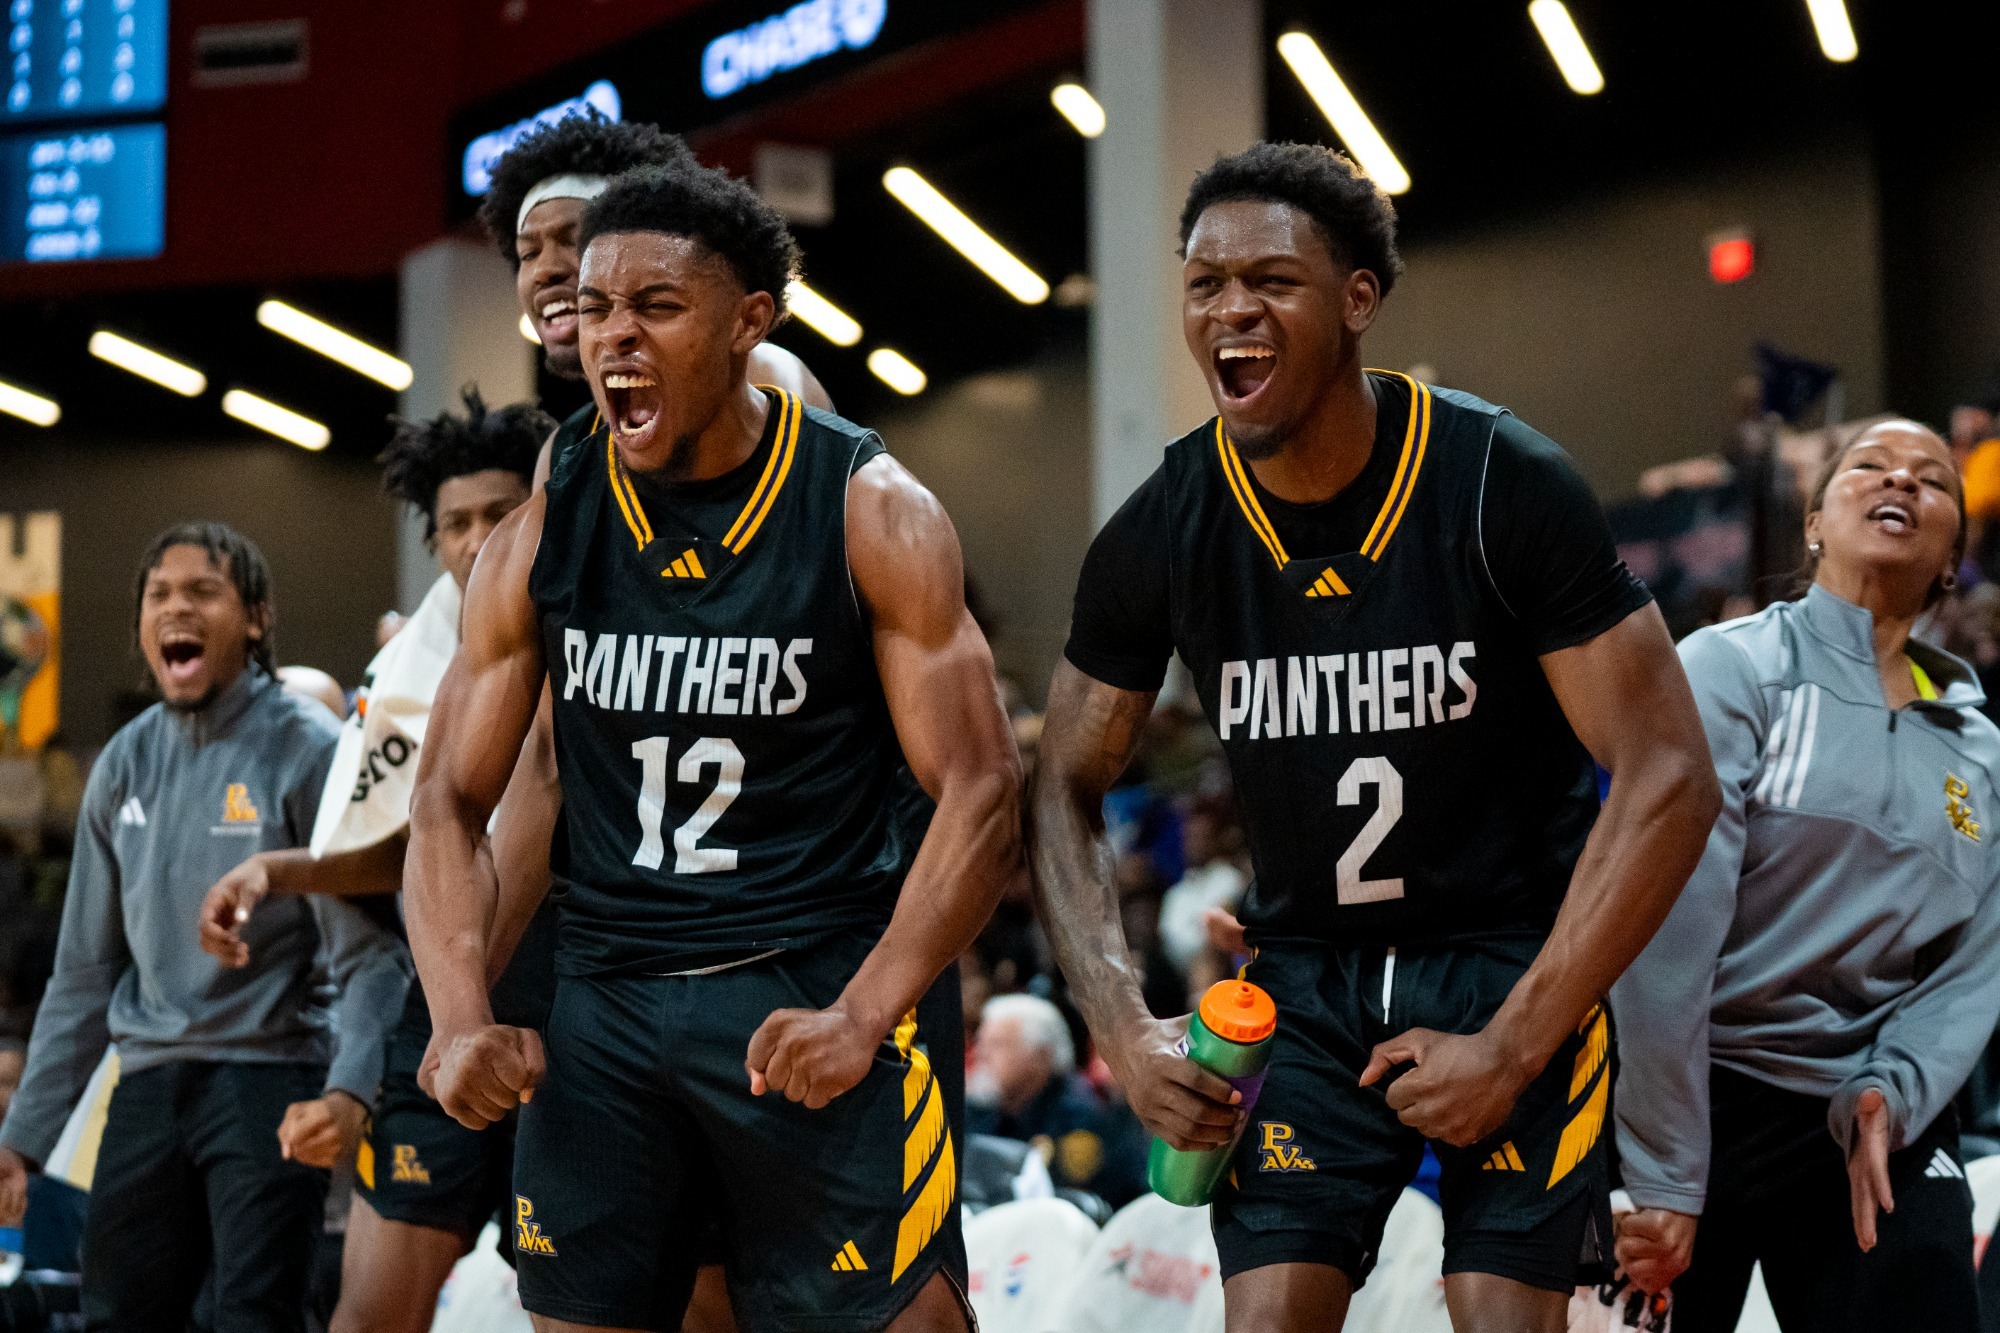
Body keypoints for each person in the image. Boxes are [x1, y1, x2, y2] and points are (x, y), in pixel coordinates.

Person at [1028, 141, 1721, 1333]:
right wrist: (1121, 1023)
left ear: (1356, 301)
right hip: (1300, 986)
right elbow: (1061, 782)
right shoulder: (1165, 525)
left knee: (1500, 1317)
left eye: (1270, 281)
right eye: (1203, 284)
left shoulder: (1498, 480)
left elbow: (1668, 775)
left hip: (1505, 959)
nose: (1230, 308)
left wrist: (1511, 1044)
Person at [405, 161, 1021, 1333]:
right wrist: (455, 1013)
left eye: (656, 308)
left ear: (751, 323)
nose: (613, 339)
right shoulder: (544, 527)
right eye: (593, 309)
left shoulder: (868, 507)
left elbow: (982, 792)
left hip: (807, 971)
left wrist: (865, 1008)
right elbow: (446, 798)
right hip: (608, 996)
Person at [1612, 420, 2000, 1332]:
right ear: (1816, 521)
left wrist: (1896, 1090)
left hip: (1863, 1101)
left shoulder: (1981, 749)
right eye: (1868, 465)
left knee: (1928, 1283)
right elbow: (1665, 926)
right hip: (1696, 1083)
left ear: (1951, 555)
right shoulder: (1731, 665)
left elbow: (1972, 964)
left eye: (1931, 479)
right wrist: (1665, 1167)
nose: (1899, 479)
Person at [199, 391, 550, 1333]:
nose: (478, 541)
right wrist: (279, 870)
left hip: (576, 1007)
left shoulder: (599, 630)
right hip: (443, 1011)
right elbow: (397, 853)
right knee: (370, 1316)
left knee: (587, 1310)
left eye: (501, 515)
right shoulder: (410, 670)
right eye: (456, 523)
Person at [0, 523, 407, 1333]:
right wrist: (22, 1138)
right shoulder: (121, 763)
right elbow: (82, 974)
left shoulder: (309, 749)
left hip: (271, 1074)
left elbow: (373, 957)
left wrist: (351, 1086)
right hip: (149, 1079)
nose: (175, 607)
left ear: (256, 618)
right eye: (159, 594)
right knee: (118, 1313)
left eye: (202, 591)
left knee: (252, 1315)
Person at [968, 993, 1146, 1206]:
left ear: (1040, 1055)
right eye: (981, 1042)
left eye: (998, 1044)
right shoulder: (980, 1113)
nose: (982, 1054)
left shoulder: (1082, 1117)